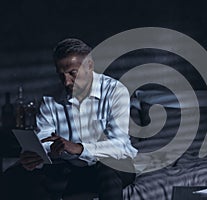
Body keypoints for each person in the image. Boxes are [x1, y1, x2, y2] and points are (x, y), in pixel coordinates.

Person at [1, 38, 138, 200]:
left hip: (116, 164)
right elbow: (43, 140)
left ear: (90, 66)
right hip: (72, 167)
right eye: (61, 75)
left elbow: (119, 145)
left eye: (73, 73)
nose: (66, 82)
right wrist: (33, 156)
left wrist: (79, 148)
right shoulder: (50, 99)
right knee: (14, 175)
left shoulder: (115, 91)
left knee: (106, 170)